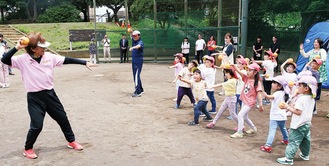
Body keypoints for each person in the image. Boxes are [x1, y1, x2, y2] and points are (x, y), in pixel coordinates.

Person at [0, 32, 97, 159]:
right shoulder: (22, 60)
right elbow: (4, 60)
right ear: (33, 49)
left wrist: (84, 62)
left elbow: (66, 60)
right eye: (42, 47)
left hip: (50, 95)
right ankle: (28, 148)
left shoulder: (49, 57)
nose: (44, 49)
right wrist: (17, 47)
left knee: (62, 118)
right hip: (34, 98)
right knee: (37, 125)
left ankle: (71, 141)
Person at [277, 76, 317, 165]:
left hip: (298, 124)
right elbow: (303, 108)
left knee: (293, 141)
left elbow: (298, 112)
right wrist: (292, 105)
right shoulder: (311, 98)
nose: (297, 87)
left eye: (299, 85)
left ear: (306, 88)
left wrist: (287, 107)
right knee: (305, 140)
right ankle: (305, 155)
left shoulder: (301, 99)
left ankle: (288, 158)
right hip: (306, 123)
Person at [230, 63, 264, 139]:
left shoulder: (257, 82)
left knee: (240, 115)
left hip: (250, 102)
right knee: (245, 117)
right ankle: (253, 128)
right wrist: (235, 67)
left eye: (250, 70)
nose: (247, 72)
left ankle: (239, 132)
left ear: (255, 72)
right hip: (244, 100)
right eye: (247, 70)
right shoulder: (246, 78)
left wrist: (260, 105)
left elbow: (259, 94)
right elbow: (240, 72)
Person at [260, 75, 289, 153]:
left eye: (274, 83)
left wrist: (264, 94)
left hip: (275, 116)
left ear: (279, 86)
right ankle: (286, 140)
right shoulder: (284, 93)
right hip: (282, 116)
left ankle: (268, 146)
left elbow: (269, 97)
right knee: (283, 129)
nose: (272, 84)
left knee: (272, 131)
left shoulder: (277, 93)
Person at [129, 30, 144, 97]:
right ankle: (140, 89)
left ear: (139, 36)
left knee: (136, 76)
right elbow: (131, 35)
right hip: (134, 61)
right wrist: (131, 32)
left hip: (138, 61)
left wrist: (132, 47)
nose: (134, 37)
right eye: (133, 36)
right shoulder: (134, 40)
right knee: (136, 75)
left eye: (135, 36)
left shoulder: (140, 42)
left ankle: (138, 91)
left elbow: (139, 46)